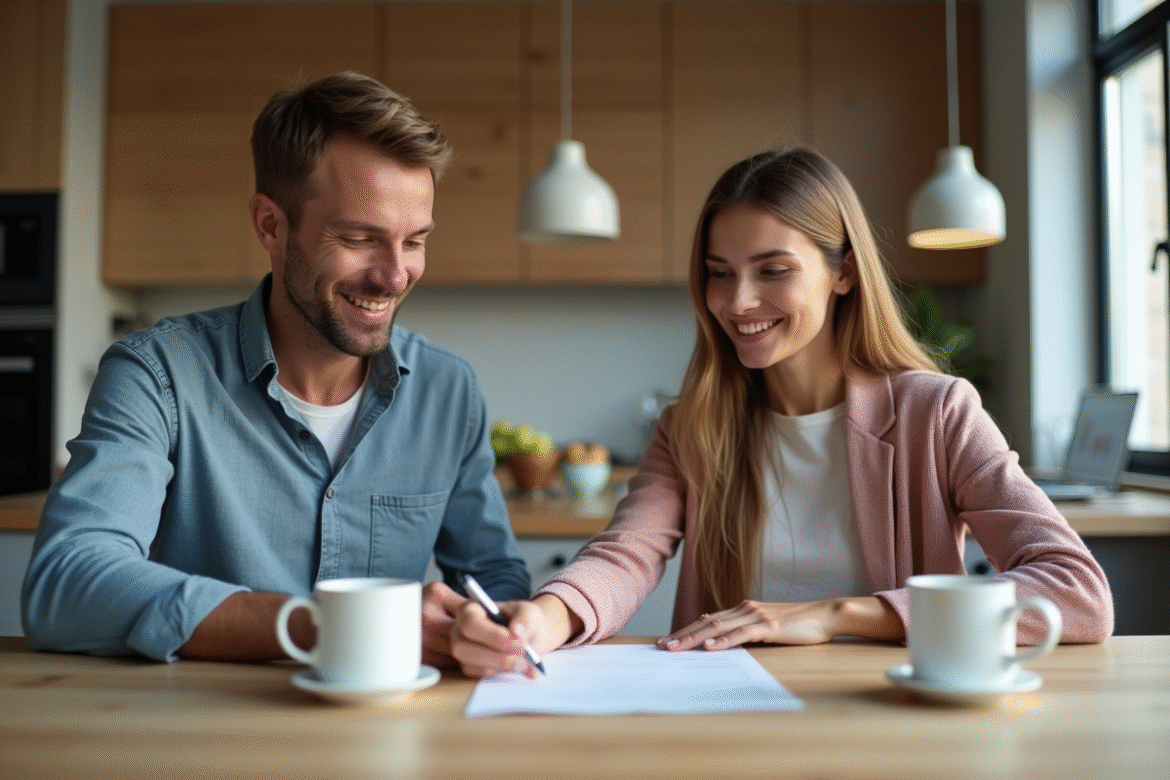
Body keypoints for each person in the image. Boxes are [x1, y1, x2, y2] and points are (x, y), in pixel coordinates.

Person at [451, 147, 1113, 678]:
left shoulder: (935, 412)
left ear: (844, 273)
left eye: (772, 270)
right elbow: (627, 554)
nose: (738, 301)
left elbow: (1077, 594)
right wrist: (545, 617)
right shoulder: (691, 426)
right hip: (734, 715)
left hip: (895, 722)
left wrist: (836, 614)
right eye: (719, 271)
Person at [22, 71, 530, 665]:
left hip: (388, 737)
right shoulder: (157, 374)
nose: (395, 276)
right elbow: (66, 583)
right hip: (196, 744)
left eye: (414, 241)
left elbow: (493, 580)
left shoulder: (448, 390)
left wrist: (492, 627)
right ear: (270, 225)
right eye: (359, 238)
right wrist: (333, 628)